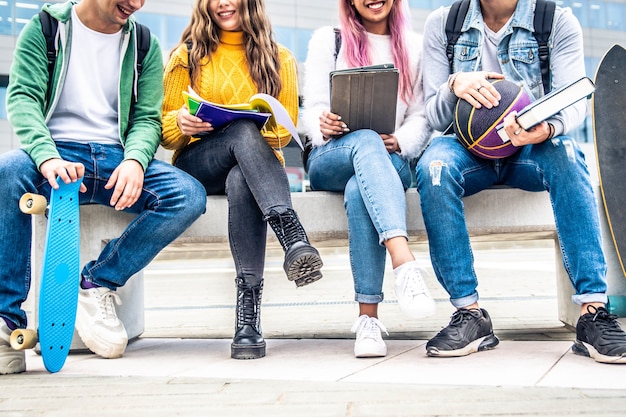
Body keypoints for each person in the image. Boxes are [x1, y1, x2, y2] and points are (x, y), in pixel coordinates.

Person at [0, 0, 208, 374]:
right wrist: (47, 157)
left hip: (114, 158)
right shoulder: (46, 27)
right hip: (56, 152)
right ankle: (6, 325)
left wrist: (135, 160)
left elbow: (146, 118)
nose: (136, 4)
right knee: (9, 170)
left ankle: (97, 281)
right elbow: (22, 98)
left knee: (188, 195)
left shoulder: (143, 42)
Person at [417, 0, 626, 363]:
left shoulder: (556, 20)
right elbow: (434, 117)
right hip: (467, 151)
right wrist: (455, 83)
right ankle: (470, 313)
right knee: (433, 165)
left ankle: (593, 312)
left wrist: (545, 129)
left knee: (567, 154)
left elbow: (575, 98)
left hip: (530, 149)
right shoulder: (443, 24)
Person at [161, 0, 323, 360]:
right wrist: (181, 124)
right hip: (199, 166)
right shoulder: (186, 57)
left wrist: (253, 127)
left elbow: (283, 133)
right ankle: (292, 236)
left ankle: (247, 324)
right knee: (240, 132)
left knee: (241, 174)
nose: (222, 3)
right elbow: (164, 131)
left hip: (251, 170)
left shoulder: (279, 57)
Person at [301, 0, 434, 358]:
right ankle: (404, 263)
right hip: (332, 156)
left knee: (361, 189)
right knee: (365, 141)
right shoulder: (328, 40)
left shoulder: (415, 46)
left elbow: (422, 115)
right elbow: (310, 106)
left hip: (390, 158)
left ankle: (368, 322)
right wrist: (321, 122)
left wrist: (401, 140)